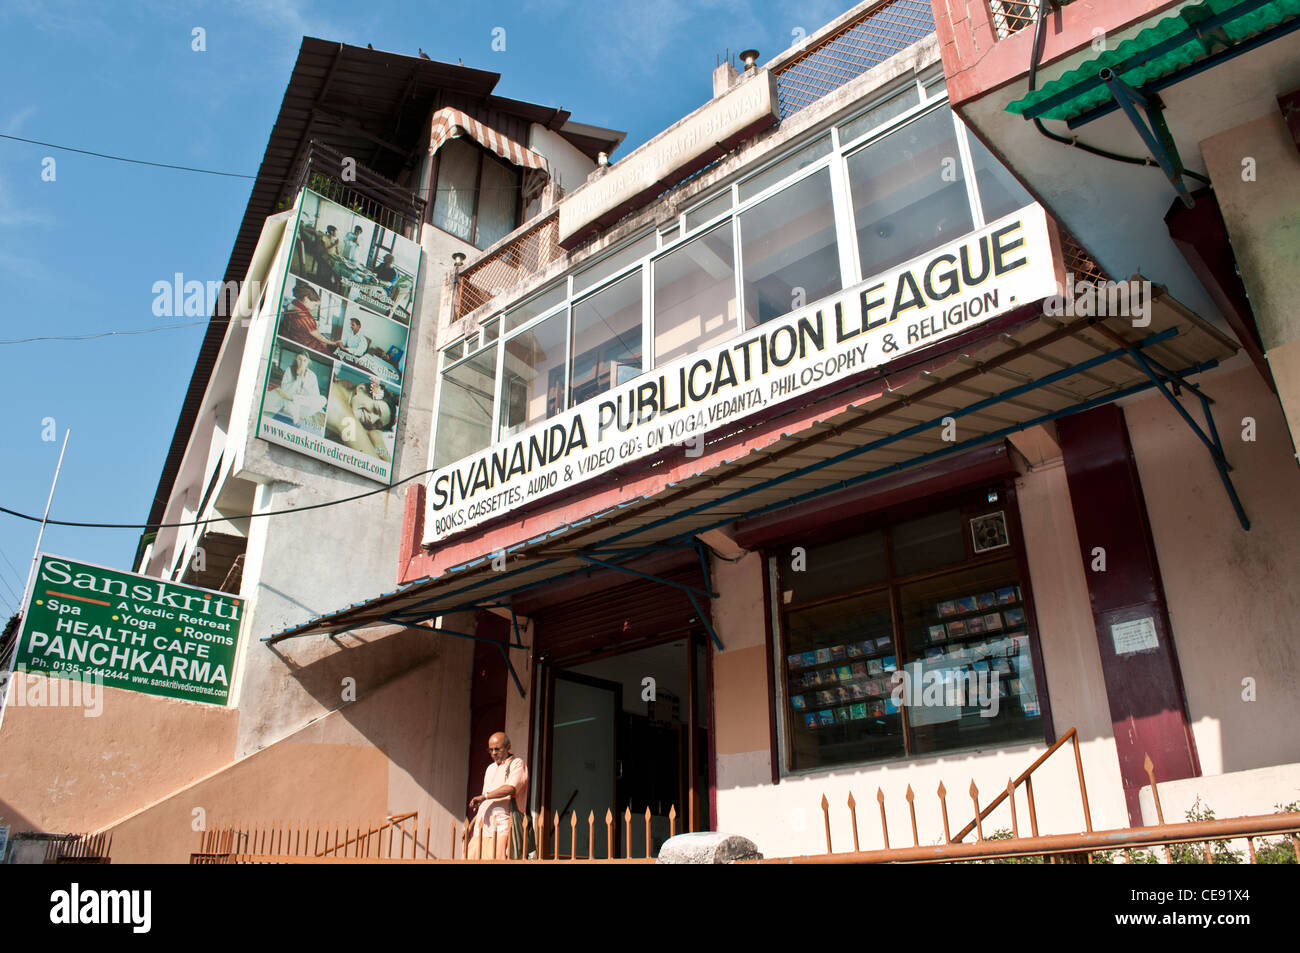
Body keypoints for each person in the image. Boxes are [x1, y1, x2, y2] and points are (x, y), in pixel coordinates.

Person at [467, 732, 529, 859]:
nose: (493, 753)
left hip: (501, 828)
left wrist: (484, 796)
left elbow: (510, 788)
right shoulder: (490, 768)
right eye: (490, 750)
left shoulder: (517, 764)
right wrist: (475, 820)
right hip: (481, 829)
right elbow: (487, 798)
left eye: (497, 749)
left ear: (508, 747)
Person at [326, 377, 398, 461]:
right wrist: (376, 438)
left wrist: (377, 439)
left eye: (377, 424)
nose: (372, 420)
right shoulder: (339, 404)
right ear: (361, 389)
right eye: (375, 409)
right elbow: (375, 467)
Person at [280, 281, 333, 357]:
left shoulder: (290, 306)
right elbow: (320, 339)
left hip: (290, 338)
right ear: (306, 299)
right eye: (315, 305)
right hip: (306, 347)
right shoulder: (305, 318)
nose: (315, 308)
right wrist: (333, 343)